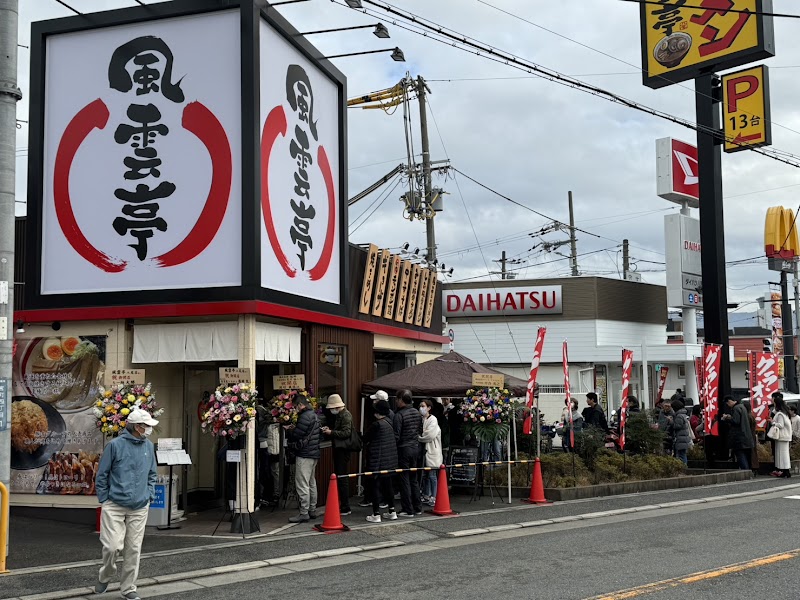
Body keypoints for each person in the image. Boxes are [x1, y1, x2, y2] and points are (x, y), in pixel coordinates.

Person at [94, 408, 158, 600]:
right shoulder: (114, 445)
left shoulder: (148, 446)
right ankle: (105, 575)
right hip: (114, 503)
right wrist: (104, 498)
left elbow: (152, 474)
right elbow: (102, 474)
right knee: (112, 546)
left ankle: (129, 587)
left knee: (133, 548)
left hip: (140, 505)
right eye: (146, 426)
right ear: (136, 426)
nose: (148, 430)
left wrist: (150, 495)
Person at [285, 396, 320, 523]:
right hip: (313, 453)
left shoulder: (304, 416)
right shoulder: (314, 415)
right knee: (311, 482)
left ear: (300, 405)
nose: (294, 409)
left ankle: (304, 512)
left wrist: (289, 431)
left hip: (305, 454)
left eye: (295, 407)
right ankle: (312, 509)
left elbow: (297, 435)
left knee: (302, 483)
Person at [362, 400, 398, 522]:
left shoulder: (376, 425)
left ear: (377, 412)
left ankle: (376, 514)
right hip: (390, 461)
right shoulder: (389, 423)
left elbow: (365, 438)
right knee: (388, 487)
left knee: (375, 487)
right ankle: (392, 511)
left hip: (378, 461)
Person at [321, 394, 353, 516]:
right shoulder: (341, 415)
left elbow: (346, 433)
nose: (330, 410)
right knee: (340, 476)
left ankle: (345, 506)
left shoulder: (345, 415)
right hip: (339, 448)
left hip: (342, 449)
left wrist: (331, 432)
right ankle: (343, 504)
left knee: (342, 477)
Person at [360, 390, 393, 508]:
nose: (373, 402)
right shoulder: (389, 420)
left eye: (375, 400)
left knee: (376, 482)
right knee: (385, 482)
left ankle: (377, 511)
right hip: (388, 456)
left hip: (379, 456)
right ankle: (391, 509)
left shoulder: (380, 422)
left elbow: (367, 437)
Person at [393, 389, 423, 517]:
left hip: (403, 449)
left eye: (396, 399)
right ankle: (417, 507)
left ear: (401, 400)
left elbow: (396, 435)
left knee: (404, 479)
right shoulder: (416, 413)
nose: (395, 401)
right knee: (413, 479)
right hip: (415, 448)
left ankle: (407, 509)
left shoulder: (399, 415)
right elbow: (420, 430)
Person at [419, 398, 442, 507]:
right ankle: (426, 494)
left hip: (432, 451)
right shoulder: (422, 419)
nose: (421, 408)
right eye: (420, 406)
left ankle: (434, 496)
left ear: (429, 408)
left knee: (432, 475)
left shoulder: (433, 420)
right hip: (424, 451)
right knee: (425, 475)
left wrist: (419, 437)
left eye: (423, 406)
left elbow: (429, 435)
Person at [722, 395, 752, 471]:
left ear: (729, 401)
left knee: (740, 454)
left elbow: (736, 421)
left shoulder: (736, 408)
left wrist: (727, 418)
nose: (728, 406)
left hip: (739, 437)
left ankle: (745, 471)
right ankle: (747, 471)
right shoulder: (742, 407)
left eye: (727, 404)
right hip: (746, 436)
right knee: (744, 454)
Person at [770, 394, 793, 478]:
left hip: (782, 436)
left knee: (782, 454)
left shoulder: (780, 414)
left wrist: (772, 422)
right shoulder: (785, 412)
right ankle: (785, 471)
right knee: (784, 454)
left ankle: (785, 471)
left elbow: (781, 425)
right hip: (786, 436)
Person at [669, 399, 691, 465]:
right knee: (682, 454)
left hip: (680, 438)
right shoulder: (683, 414)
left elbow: (677, 426)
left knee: (681, 455)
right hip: (684, 438)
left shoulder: (679, 416)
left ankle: (683, 468)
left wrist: (671, 421)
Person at [743, 401, 760, 474]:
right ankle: (754, 467)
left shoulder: (747, 416)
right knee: (753, 452)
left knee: (750, 452)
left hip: (749, 436)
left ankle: (752, 467)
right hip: (752, 435)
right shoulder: (751, 415)